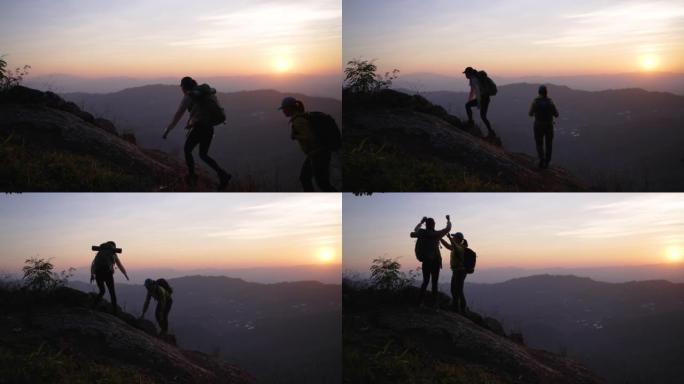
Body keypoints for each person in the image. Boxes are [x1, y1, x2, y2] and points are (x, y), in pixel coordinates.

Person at [163, 76, 231, 189]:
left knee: (187, 150)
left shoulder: (189, 96)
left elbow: (177, 116)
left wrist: (167, 131)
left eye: (182, 87)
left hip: (200, 128)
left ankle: (192, 176)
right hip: (209, 127)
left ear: (184, 87)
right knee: (203, 154)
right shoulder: (206, 93)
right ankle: (223, 174)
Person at [279, 96, 337, 192]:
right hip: (316, 154)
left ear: (290, 108)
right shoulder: (303, 116)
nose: (283, 111)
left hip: (318, 154)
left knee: (320, 183)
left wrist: (295, 136)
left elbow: (311, 137)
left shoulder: (298, 121)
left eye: (284, 109)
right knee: (306, 179)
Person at [413, 215, 451, 307]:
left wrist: (421, 222)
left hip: (426, 261)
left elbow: (416, 229)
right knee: (434, 283)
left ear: (426, 225)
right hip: (435, 261)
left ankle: (420, 302)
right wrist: (448, 220)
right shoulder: (437, 234)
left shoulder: (421, 232)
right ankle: (434, 304)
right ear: (433, 225)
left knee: (425, 281)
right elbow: (448, 228)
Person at [90, 241, 129, 314]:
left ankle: (93, 306)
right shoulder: (112, 252)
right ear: (113, 247)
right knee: (112, 293)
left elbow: (93, 264)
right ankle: (114, 312)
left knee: (102, 291)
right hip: (108, 273)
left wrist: (92, 275)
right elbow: (119, 265)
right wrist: (125, 274)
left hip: (98, 273)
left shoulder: (100, 252)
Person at [529, 85, 559, 169]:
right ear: (546, 92)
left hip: (538, 125)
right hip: (549, 126)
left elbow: (530, 114)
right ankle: (547, 162)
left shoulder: (535, 102)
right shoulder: (550, 102)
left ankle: (541, 160)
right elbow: (556, 114)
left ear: (539, 92)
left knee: (539, 143)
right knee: (549, 144)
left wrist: (537, 113)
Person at [463, 67, 495, 137]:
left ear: (469, 73)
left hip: (483, 98)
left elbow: (476, 91)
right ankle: (491, 132)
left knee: (469, 106)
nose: (465, 75)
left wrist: (478, 102)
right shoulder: (474, 78)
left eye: (466, 73)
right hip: (485, 98)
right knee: (483, 116)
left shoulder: (474, 79)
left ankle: (471, 122)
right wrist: (470, 100)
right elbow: (472, 91)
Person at [441, 232, 468, 314]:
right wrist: (440, 238)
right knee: (454, 290)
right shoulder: (456, 247)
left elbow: (455, 247)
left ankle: (461, 309)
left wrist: (449, 238)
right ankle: (456, 307)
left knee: (459, 290)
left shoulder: (461, 248)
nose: (453, 238)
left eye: (454, 237)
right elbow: (447, 246)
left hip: (460, 271)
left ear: (458, 239)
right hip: (456, 271)